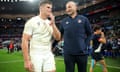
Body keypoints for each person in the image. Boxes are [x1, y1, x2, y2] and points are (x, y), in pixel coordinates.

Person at [21, 0, 61, 72]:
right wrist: (26, 61)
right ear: (41, 8)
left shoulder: (50, 23)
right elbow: (25, 40)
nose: (50, 10)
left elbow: (58, 37)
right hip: (36, 54)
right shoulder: (32, 21)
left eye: (51, 8)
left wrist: (53, 24)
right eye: (48, 7)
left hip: (48, 53)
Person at [60, 1, 92, 72]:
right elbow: (59, 35)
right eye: (66, 8)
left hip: (82, 53)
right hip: (68, 54)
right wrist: (52, 45)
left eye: (69, 7)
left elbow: (90, 34)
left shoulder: (84, 19)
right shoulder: (63, 21)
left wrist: (85, 45)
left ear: (76, 7)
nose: (67, 9)